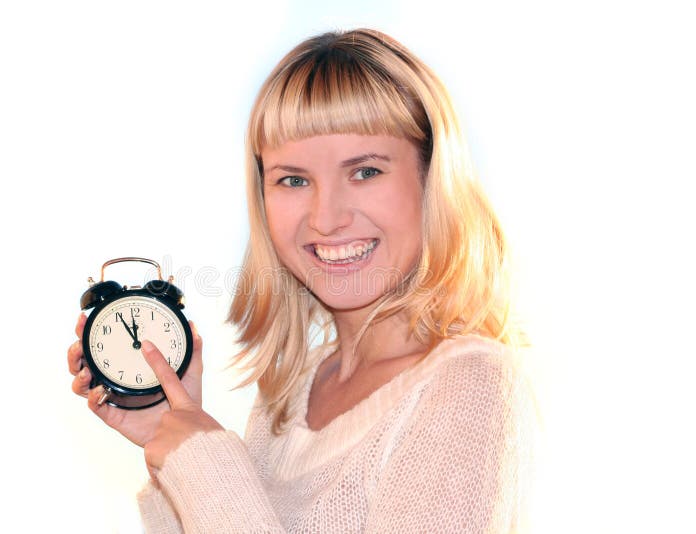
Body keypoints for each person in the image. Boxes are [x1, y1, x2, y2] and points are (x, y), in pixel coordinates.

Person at [67, 28, 535, 533]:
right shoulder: (289, 397)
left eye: (365, 172)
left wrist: (205, 465)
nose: (326, 217)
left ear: (431, 178)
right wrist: (172, 445)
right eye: (293, 180)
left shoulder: (468, 381)